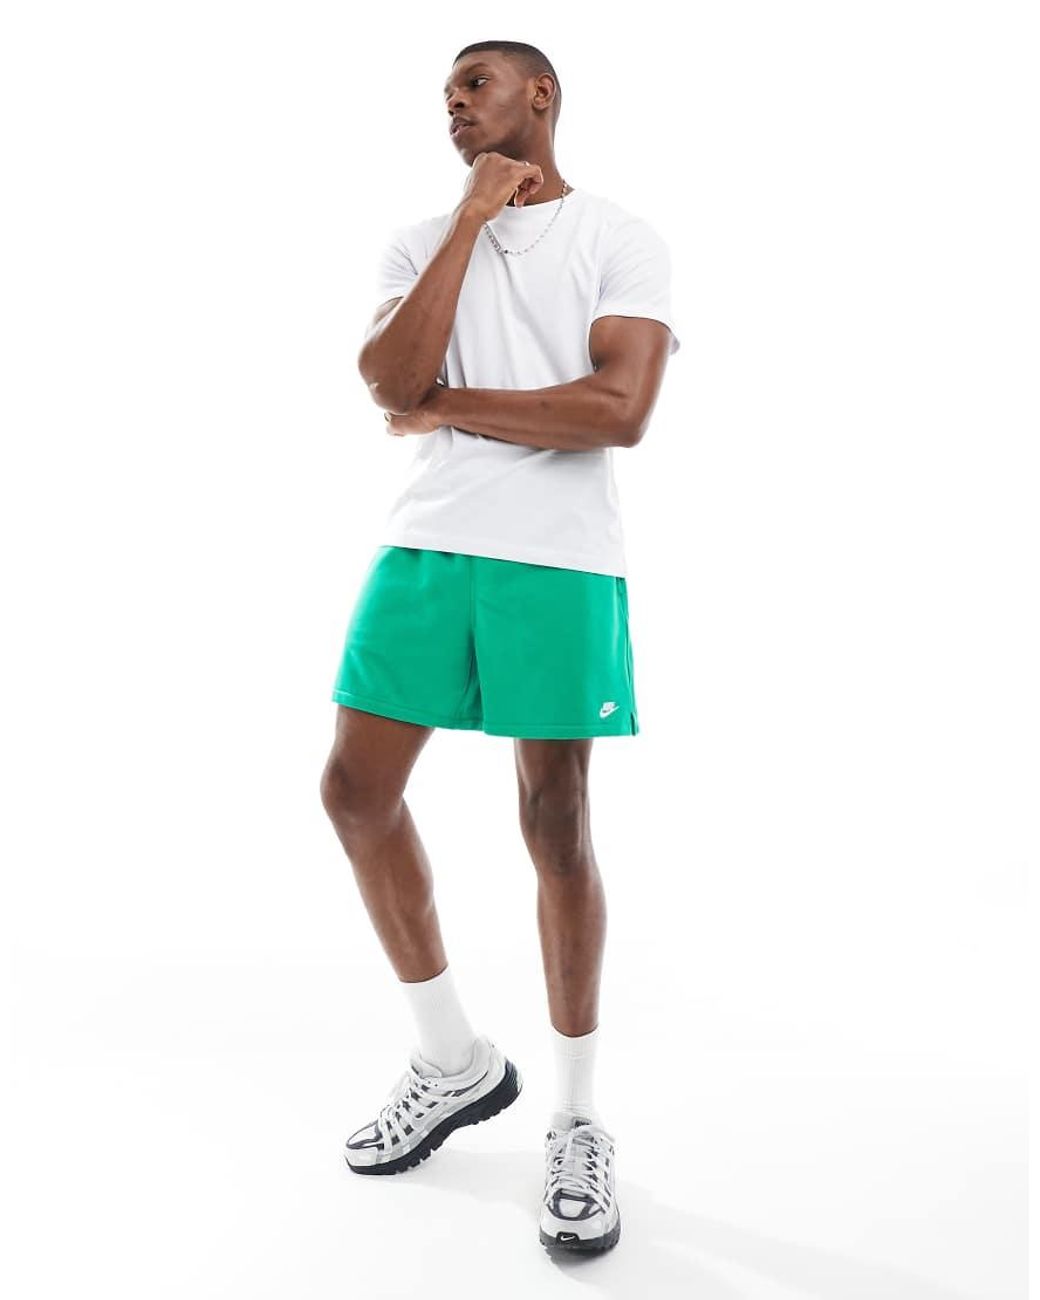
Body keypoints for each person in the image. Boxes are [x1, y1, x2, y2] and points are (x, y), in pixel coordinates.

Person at [319, 39, 680, 1254]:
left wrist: (447, 408)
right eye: (445, 95)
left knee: (555, 822)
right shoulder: (421, 239)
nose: (455, 105)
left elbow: (616, 410)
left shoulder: (619, 237)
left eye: (475, 84)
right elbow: (388, 378)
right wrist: (471, 220)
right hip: (427, 544)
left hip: (558, 558)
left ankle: (575, 1119)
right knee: (353, 791)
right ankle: (453, 1060)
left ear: (541, 94)